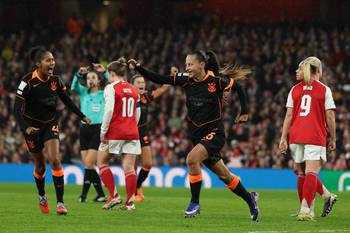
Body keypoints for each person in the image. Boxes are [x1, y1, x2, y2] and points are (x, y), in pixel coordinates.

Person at [128, 50, 259, 221]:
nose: (187, 67)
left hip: (215, 133)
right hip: (197, 136)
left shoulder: (216, 81)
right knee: (225, 176)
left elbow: (239, 88)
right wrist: (139, 68)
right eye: (186, 64)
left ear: (201, 65)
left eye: (190, 64)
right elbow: (160, 79)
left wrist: (245, 112)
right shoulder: (185, 80)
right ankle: (250, 199)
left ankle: (194, 203)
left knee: (191, 159)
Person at [13, 47, 91, 215]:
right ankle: (42, 196)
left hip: (50, 124)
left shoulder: (55, 80)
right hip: (32, 128)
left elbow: (67, 100)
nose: (52, 63)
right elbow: (16, 109)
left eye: (53, 60)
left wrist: (81, 115)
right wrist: (25, 127)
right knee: (40, 167)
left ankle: (60, 203)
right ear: (38, 63)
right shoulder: (26, 82)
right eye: (48, 60)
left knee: (55, 160)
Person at [279, 56, 337, 221]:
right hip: (315, 135)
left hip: (296, 135)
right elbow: (330, 116)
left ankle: (320, 200)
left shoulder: (294, 89)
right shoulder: (324, 90)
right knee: (310, 172)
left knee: (301, 174)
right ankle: (306, 210)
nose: (297, 71)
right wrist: (333, 138)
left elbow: (289, 115)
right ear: (319, 71)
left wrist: (283, 137)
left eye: (299, 68)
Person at [97, 57, 141, 211]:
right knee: (129, 168)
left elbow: (108, 111)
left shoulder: (111, 88)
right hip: (132, 132)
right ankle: (130, 203)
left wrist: (103, 131)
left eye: (108, 73)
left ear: (112, 73)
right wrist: (132, 125)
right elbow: (137, 113)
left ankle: (114, 195)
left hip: (116, 131)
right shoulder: (134, 89)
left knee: (101, 162)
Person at [130, 67, 177, 202]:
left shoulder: (145, 97)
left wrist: (172, 76)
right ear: (131, 85)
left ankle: (138, 186)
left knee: (147, 164)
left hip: (142, 132)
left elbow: (163, 89)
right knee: (132, 166)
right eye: (138, 82)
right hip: (129, 133)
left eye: (143, 82)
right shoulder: (126, 97)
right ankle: (132, 193)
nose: (142, 84)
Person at [71, 64, 108, 203]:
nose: (90, 80)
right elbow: (73, 87)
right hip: (84, 130)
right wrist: (79, 74)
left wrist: (104, 72)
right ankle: (101, 195)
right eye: (88, 78)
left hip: (97, 130)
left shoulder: (104, 94)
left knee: (88, 163)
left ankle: (83, 196)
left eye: (93, 77)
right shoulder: (83, 93)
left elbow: (113, 82)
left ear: (98, 81)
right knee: (89, 165)